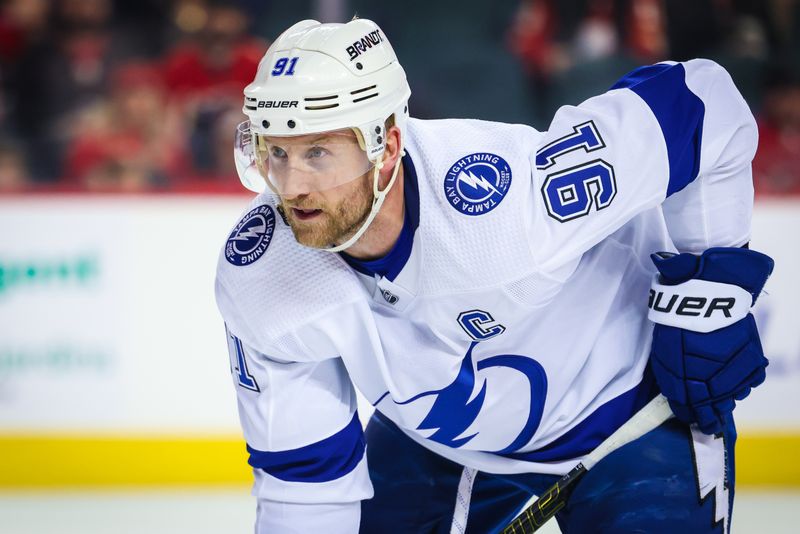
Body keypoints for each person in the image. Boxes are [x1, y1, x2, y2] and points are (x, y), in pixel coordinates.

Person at [215, 18, 774, 534]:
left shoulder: (513, 210)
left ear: (385, 146)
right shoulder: (265, 274)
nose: (290, 187)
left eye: (317, 152)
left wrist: (712, 288)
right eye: (276, 152)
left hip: (634, 416)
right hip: (440, 445)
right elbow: (305, 485)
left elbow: (704, 100)